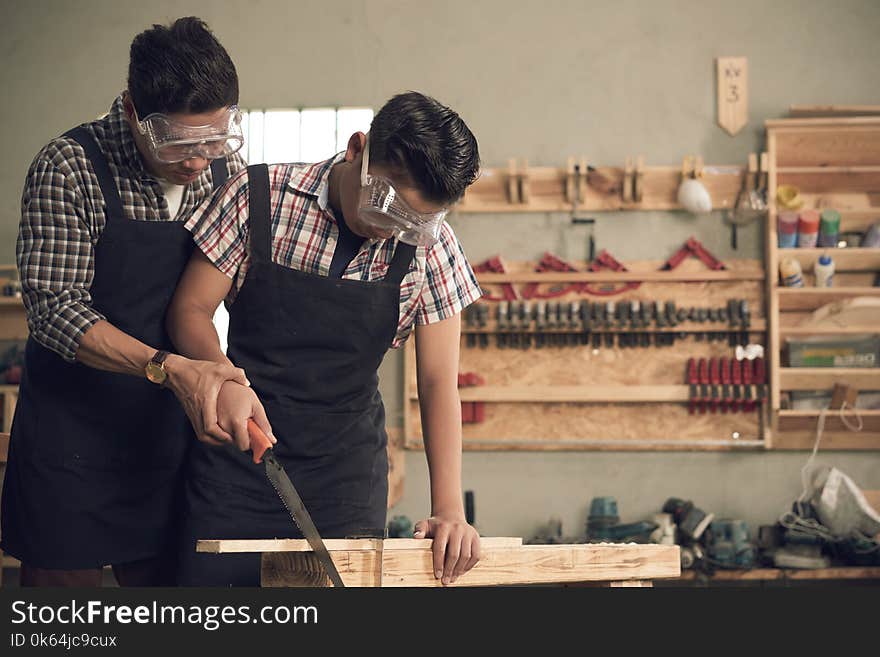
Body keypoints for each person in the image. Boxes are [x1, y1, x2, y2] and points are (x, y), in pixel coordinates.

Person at [167, 91, 484, 586]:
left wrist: (449, 509)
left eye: (413, 225)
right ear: (358, 149)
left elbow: (440, 381)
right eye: (386, 207)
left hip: (345, 475)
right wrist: (222, 378)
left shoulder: (435, 248)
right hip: (236, 457)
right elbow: (189, 311)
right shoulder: (258, 195)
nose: (390, 232)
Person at [1, 17, 249, 587]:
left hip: (170, 432)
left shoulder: (222, 169)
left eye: (213, 140)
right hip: (73, 437)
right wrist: (167, 367)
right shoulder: (69, 167)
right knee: (63, 623)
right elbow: (56, 310)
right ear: (134, 110)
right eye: (181, 144)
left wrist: (231, 375)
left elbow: (234, 283)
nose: (198, 161)